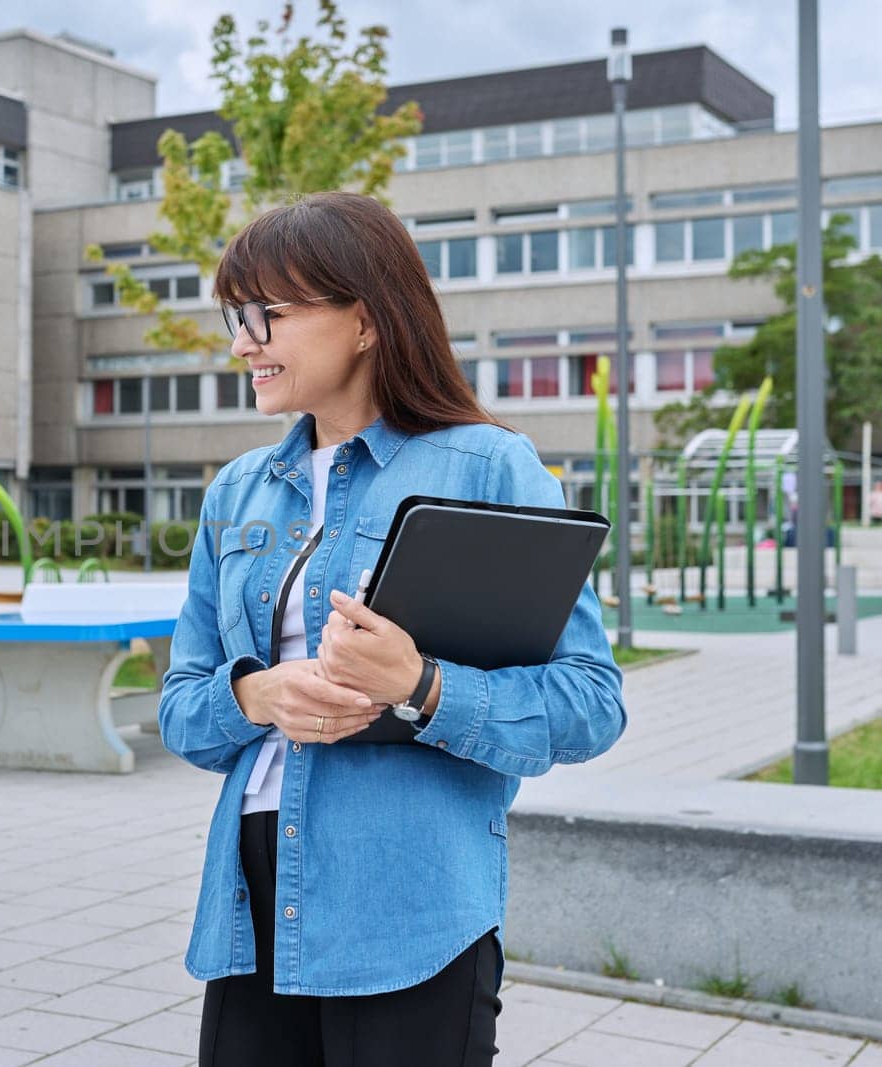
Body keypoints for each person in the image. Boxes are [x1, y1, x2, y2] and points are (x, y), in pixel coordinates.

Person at [158, 191, 627, 1067]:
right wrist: (257, 694)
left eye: (266, 314)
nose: (241, 343)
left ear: (365, 320)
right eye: (234, 316)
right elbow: (182, 707)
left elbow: (590, 703)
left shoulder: (486, 466)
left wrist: (421, 684)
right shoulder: (237, 492)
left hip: (409, 905)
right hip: (252, 903)